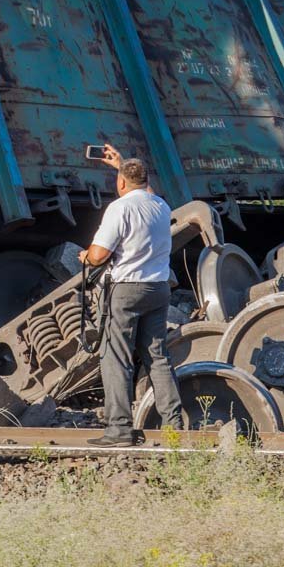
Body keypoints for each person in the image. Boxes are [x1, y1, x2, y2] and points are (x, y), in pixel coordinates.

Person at [79, 143, 182, 446]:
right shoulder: (160, 206)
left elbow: (99, 255)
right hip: (158, 289)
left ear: (121, 183)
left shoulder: (120, 208)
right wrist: (122, 164)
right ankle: (174, 427)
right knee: (157, 357)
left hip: (126, 290)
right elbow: (143, 190)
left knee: (116, 358)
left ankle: (119, 429)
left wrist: (85, 256)